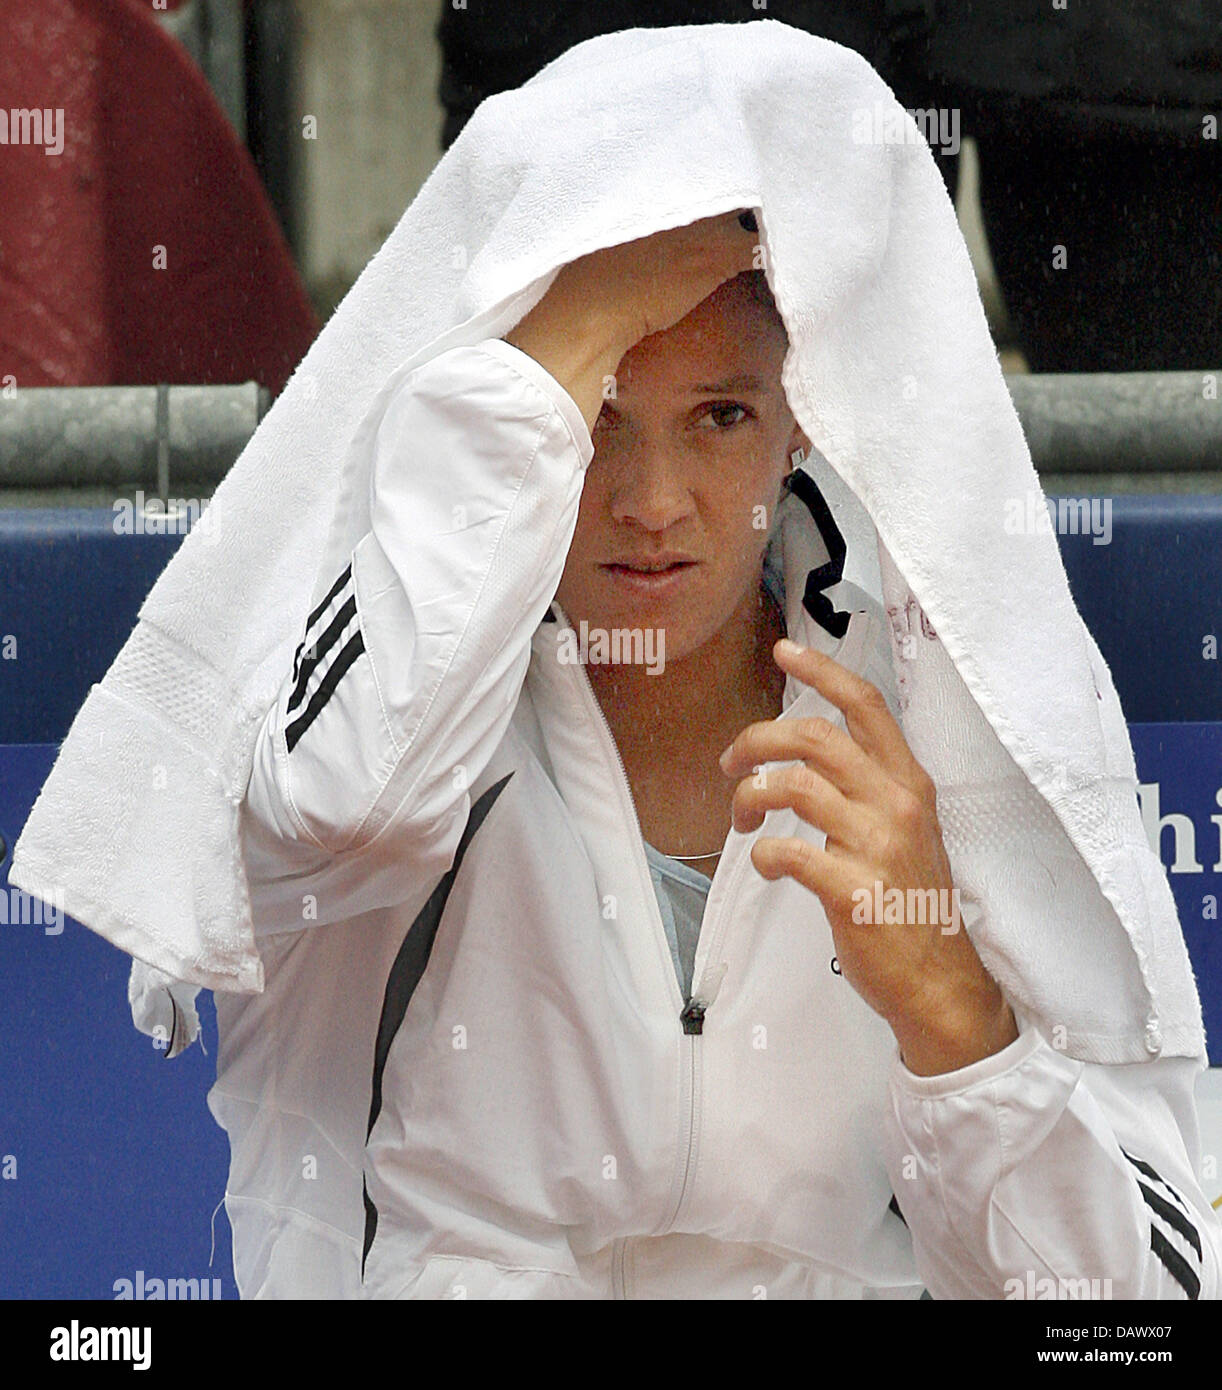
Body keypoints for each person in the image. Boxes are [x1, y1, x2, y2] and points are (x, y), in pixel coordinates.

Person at [227, 207, 1220, 1299]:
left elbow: (1126, 1309)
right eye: (598, 416)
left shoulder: (947, 700)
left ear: (803, 418)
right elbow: (321, 815)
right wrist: (577, 321)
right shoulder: (396, 691)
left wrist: (958, 1022)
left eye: (719, 415)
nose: (652, 504)